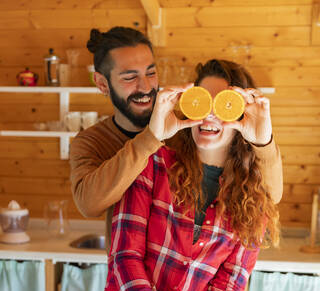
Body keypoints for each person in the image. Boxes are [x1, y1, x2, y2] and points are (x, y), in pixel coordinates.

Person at [83, 58, 280, 291]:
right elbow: (124, 255)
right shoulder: (153, 162)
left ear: (242, 116)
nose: (211, 115)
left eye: (225, 104)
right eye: (202, 99)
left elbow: (230, 285)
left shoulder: (254, 193)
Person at [69, 27, 283, 253]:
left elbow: (268, 193)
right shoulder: (91, 142)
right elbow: (89, 204)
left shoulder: (185, 128)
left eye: (151, 73)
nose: (145, 87)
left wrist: (263, 143)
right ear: (102, 84)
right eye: (130, 77)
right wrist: (151, 138)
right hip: (131, 277)